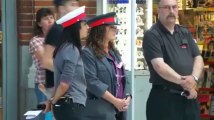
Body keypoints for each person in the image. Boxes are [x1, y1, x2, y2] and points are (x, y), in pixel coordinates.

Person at [143, 0, 204, 120]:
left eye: (174, 7)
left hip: (189, 97)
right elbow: (159, 66)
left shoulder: (184, 32)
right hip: (165, 99)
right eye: (166, 7)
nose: (171, 11)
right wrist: (184, 82)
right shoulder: (152, 35)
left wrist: (194, 78)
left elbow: (198, 57)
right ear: (158, 10)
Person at [82, 12, 132, 120]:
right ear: (100, 29)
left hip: (119, 110)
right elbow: (92, 82)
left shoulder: (114, 52)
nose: (116, 30)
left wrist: (128, 96)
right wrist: (115, 101)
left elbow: (123, 76)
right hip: (100, 111)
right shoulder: (88, 53)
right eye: (111, 27)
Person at [44, 6, 89, 120]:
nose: (88, 27)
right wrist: (53, 102)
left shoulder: (63, 48)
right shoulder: (71, 50)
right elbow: (64, 83)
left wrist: (52, 100)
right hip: (72, 105)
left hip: (66, 106)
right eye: (84, 25)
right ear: (76, 27)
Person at [42, 0, 79, 88]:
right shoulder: (57, 30)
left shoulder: (70, 30)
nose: (77, 8)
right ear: (62, 9)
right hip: (58, 88)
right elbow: (47, 61)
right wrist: (69, 76)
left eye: (77, 5)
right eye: (72, 5)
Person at [29, 8, 55, 120]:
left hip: (59, 84)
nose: (50, 21)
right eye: (45, 18)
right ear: (39, 23)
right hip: (44, 85)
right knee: (46, 115)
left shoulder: (60, 39)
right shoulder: (36, 41)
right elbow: (47, 62)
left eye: (51, 18)